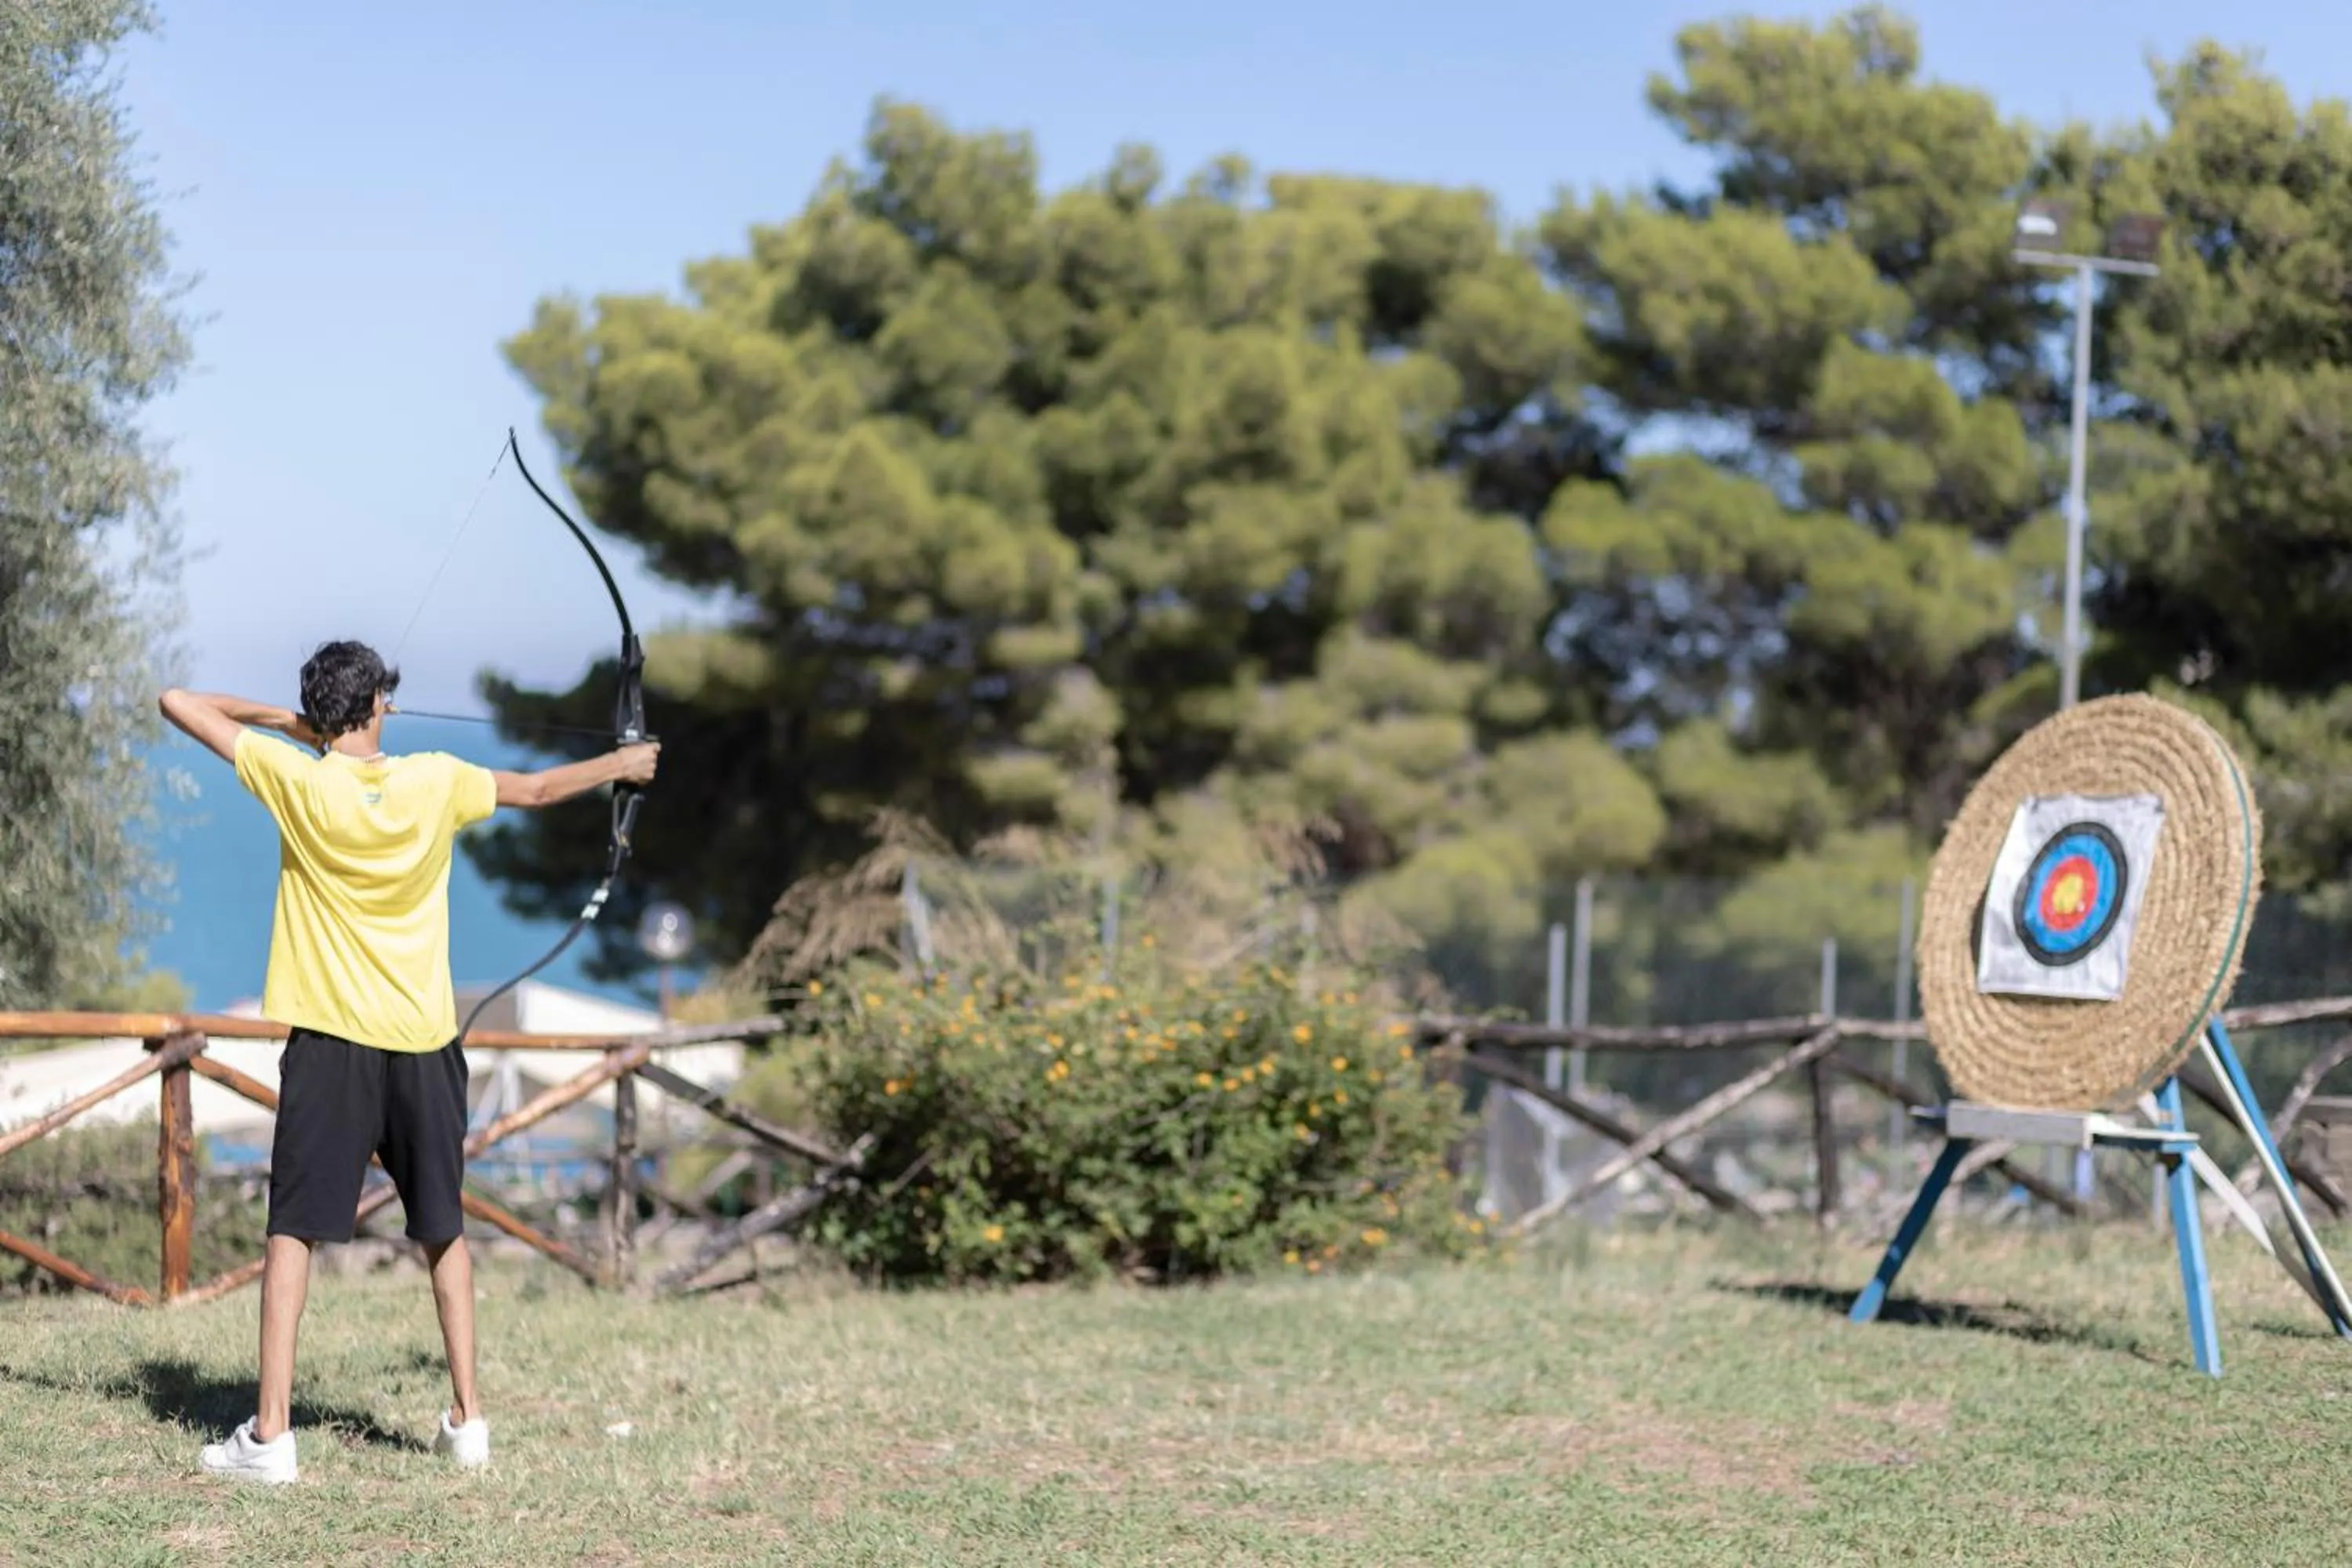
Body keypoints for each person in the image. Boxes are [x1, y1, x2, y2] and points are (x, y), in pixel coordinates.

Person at [158, 641, 659, 1484]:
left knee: (294, 1230)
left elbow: (179, 700)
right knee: (442, 1229)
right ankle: (468, 1421)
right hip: (426, 1044)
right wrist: (623, 763)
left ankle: (272, 1435)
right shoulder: (436, 778)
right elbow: (536, 790)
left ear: (325, 715)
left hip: (330, 1045)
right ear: (377, 706)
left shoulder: (298, 778)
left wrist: (293, 725)